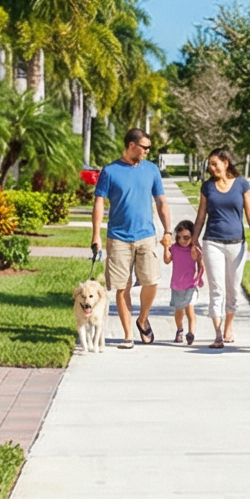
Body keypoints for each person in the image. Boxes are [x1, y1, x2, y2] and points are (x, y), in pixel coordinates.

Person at [90, 129, 174, 348]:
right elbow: (99, 203)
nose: (147, 151)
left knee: (152, 281)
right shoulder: (110, 171)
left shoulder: (151, 170)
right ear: (131, 145)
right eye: (144, 147)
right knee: (121, 287)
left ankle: (142, 319)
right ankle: (128, 335)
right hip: (118, 238)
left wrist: (167, 230)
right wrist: (96, 234)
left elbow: (161, 201)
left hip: (146, 235)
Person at [192, 148, 250, 348]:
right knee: (216, 289)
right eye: (209, 165)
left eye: (215, 164)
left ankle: (229, 326)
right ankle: (218, 333)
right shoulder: (207, 187)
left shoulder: (241, 185)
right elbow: (201, 216)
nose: (212, 168)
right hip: (212, 242)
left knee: (233, 289)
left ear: (226, 162)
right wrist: (195, 240)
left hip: (237, 243)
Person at [166, 217, 202, 345]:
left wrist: (199, 276)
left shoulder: (194, 249)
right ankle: (179, 329)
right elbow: (166, 260)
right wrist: (166, 246)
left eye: (186, 237)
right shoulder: (175, 248)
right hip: (177, 285)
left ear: (193, 236)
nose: (182, 240)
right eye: (179, 237)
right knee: (179, 310)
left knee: (190, 309)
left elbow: (201, 263)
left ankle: (191, 333)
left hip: (191, 285)